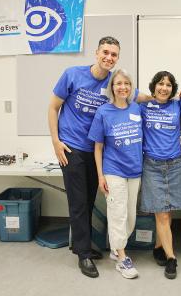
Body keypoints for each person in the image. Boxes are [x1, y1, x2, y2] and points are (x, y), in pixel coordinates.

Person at [48, 36, 149, 278]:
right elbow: (53, 107)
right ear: (96, 53)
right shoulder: (72, 74)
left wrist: (177, 94)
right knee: (78, 202)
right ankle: (83, 255)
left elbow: (141, 96)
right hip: (72, 148)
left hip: (98, 151)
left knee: (90, 201)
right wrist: (55, 141)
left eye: (114, 54)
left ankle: (82, 246)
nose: (109, 57)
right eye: (105, 52)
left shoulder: (115, 83)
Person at [88, 69, 143, 279]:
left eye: (127, 83)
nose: (123, 87)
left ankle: (116, 247)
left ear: (131, 87)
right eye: (118, 83)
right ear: (112, 87)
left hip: (135, 170)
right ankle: (122, 258)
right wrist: (101, 176)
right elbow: (98, 147)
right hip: (113, 170)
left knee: (130, 216)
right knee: (117, 213)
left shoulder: (137, 108)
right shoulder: (104, 111)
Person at [139, 71, 181, 279]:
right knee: (160, 213)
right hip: (152, 165)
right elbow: (124, 93)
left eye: (168, 85)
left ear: (173, 89)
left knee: (167, 211)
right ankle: (171, 258)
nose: (164, 88)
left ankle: (158, 246)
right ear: (154, 87)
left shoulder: (177, 105)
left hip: (175, 164)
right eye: (160, 84)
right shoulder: (143, 107)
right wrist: (147, 96)